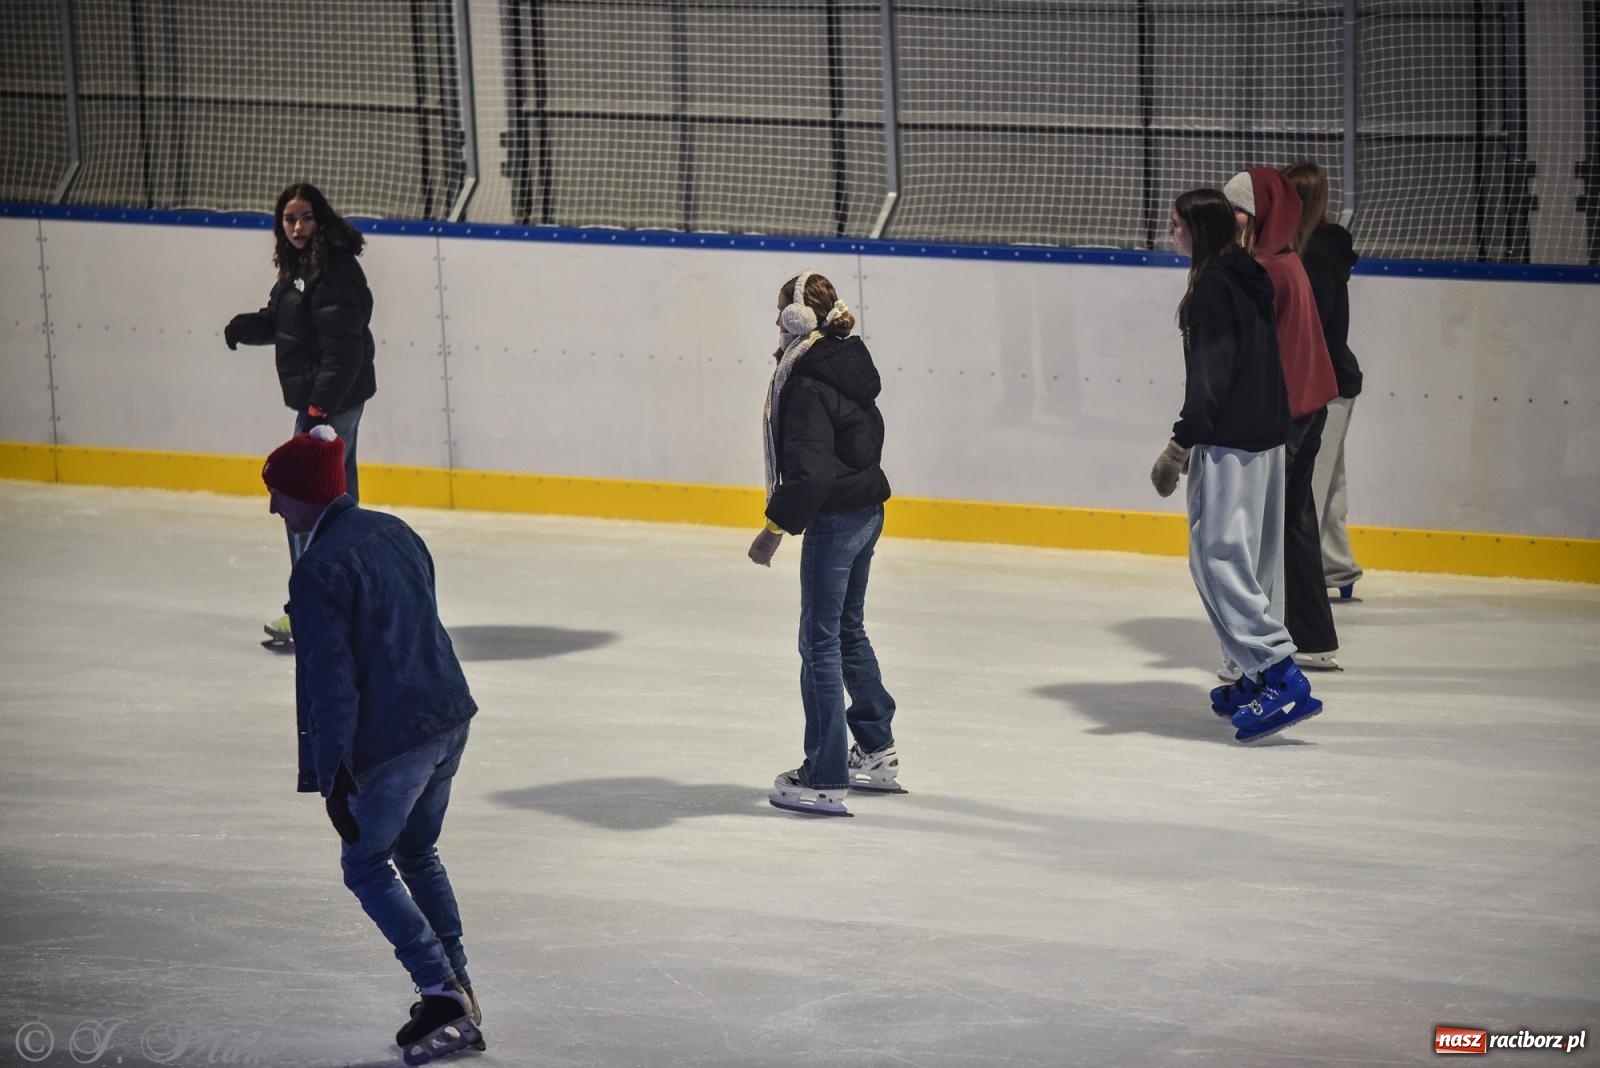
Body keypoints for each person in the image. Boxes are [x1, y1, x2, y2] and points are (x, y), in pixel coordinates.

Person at [261, 425, 484, 1065]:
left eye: (278, 495)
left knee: (364, 864)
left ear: (305, 495)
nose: (274, 508)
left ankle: (440, 992)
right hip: (448, 714)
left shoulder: (317, 569)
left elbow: (332, 686)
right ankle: (459, 983)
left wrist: (334, 775)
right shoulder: (397, 530)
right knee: (417, 851)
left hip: (395, 739)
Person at [1150, 189, 1322, 743]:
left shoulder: (1213, 289)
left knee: (1218, 560)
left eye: (1176, 224)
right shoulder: (1247, 273)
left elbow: (1211, 376)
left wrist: (1181, 445)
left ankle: (1278, 673)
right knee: (1254, 562)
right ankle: (1254, 673)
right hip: (1267, 438)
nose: (1170, 232)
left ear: (1197, 228)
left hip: (1231, 442)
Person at [749, 271, 900, 816]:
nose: (774, 322)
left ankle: (826, 773)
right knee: (845, 629)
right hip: (866, 510)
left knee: (820, 643)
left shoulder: (807, 381)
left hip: (836, 520)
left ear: (796, 319)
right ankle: (876, 751)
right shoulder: (847, 361)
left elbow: (809, 474)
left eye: (779, 311)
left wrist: (773, 529)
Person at [227, 182, 377, 649]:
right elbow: (283, 321)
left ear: (321, 220)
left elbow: (345, 346)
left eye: (305, 218)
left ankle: (314, 609)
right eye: (289, 219)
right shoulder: (300, 268)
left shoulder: (332, 269)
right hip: (327, 400)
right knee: (333, 501)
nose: (296, 227)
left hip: (329, 403)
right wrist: (244, 327)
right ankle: (344, 603)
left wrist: (320, 407)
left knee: (306, 503)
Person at [1223, 167, 1342, 671]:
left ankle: (1264, 644)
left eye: (1237, 209)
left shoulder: (1268, 266)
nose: (1230, 218)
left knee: (1263, 530)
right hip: (1307, 407)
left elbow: (1257, 351)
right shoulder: (1284, 257)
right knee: (1293, 521)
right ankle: (1309, 635)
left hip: (1288, 414)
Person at [1284, 160, 1365, 601]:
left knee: (1310, 483)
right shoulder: (1315, 253)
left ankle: (1307, 579)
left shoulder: (1313, 257)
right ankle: (1337, 567)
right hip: (1333, 382)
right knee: (1328, 480)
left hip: (1325, 386)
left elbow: (1313, 329)